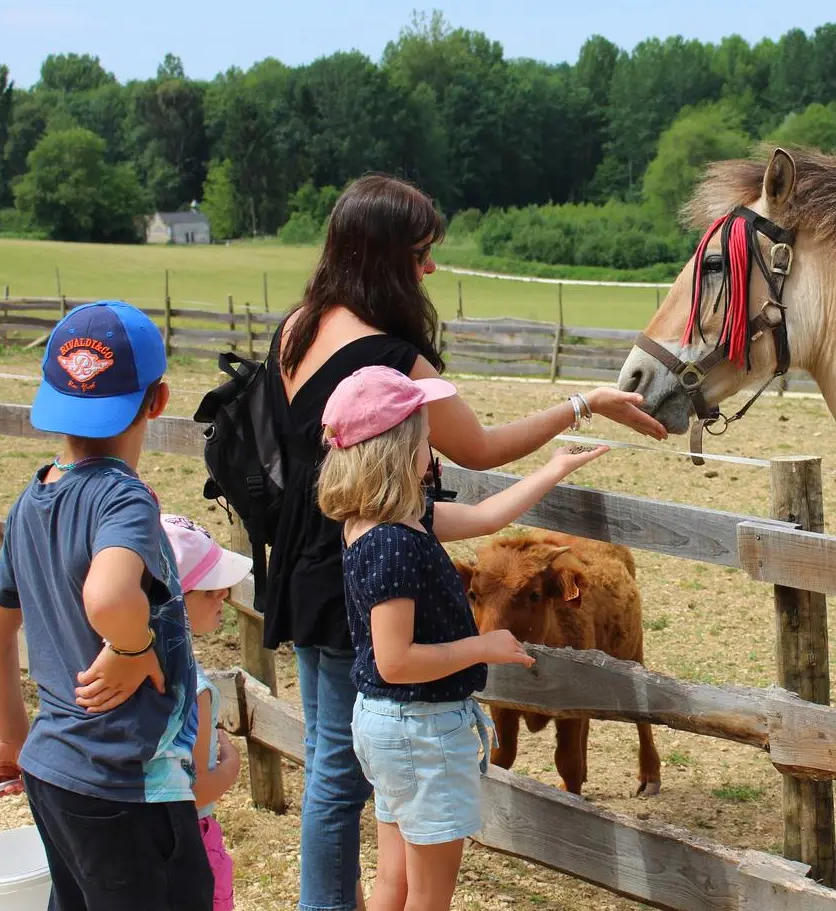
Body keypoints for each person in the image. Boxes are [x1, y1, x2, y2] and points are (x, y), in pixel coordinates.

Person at [259, 172, 665, 911]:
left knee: (330, 768)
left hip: (308, 567)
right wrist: (580, 404)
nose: (430, 269)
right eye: (420, 253)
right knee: (363, 779)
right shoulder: (386, 355)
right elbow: (480, 447)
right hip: (375, 587)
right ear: (384, 255)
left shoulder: (294, 329)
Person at [316, 365, 608, 911]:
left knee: (395, 882)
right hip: (420, 729)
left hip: (389, 725)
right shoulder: (395, 544)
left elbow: (484, 515)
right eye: (426, 438)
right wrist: (484, 647)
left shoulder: (386, 520)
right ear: (399, 451)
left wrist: (552, 470)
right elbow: (395, 660)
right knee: (430, 897)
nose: (435, 449)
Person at [0, 300, 212, 911]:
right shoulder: (124, 500)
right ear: (157, 401)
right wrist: (134, 647)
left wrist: (8, 737)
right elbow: (107, 595)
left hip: (52, 770)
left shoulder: (32, 500)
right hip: (125, 782)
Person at [161, 513, 254, 911]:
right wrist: (232, 763)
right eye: (207, 590)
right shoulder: (194, 688)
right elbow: (195, 791)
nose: (224, 595)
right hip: (188, 838)